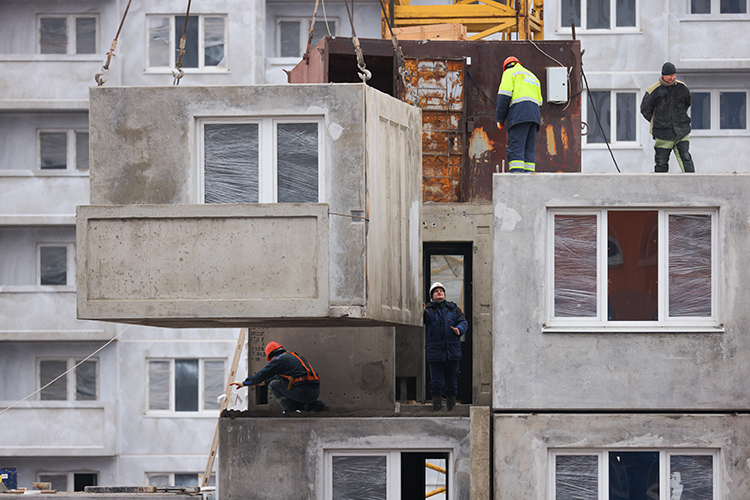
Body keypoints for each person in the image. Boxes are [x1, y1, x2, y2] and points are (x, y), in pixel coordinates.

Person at [230, 341, 328, 414]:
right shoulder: (292, 357)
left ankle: (290, 412)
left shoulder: (280, 360)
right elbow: (279, 377)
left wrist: (244, 383)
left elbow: (263, 374)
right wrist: (259, 383)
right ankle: (314, 406)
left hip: (302, 391)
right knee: (279, 383)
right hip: (314, 392)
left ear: (272, 356)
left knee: (274, 385)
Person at [640, 62, 695, 173]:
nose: (672, 77)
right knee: (661, 162)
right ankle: (660, 187)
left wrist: (679, 117)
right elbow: (645, 109)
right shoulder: (653, 90)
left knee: (686, 157)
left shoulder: (681, 87)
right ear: (663, 75)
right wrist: (659, 120)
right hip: (663, 133)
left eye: (674, 75)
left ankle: (691, 183)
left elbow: (687, 103)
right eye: (670, 75)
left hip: (681, 131)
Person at [423, 282, 468, 411]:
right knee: (437, 382)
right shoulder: (429, 309)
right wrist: (422, 311)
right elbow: (426, 317)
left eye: (441, 291)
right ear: (432, 295)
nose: (439, 292)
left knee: (452, 381)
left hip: (452, 351)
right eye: (436, 291)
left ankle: (451, 406)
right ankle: (436, 406)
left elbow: (463, 321)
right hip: (435, 352)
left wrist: (459, 329)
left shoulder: (453, 309)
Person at [495, 56, 543, 173]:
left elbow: (504, 96)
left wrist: (500, 118)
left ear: (505, 67)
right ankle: (529, 182)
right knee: (528, 151)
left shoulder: (509, 73)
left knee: (515, 148)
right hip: (535, 118)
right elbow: (540, 102)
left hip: (520, 115)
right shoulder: (533, 77)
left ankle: (516, 181)